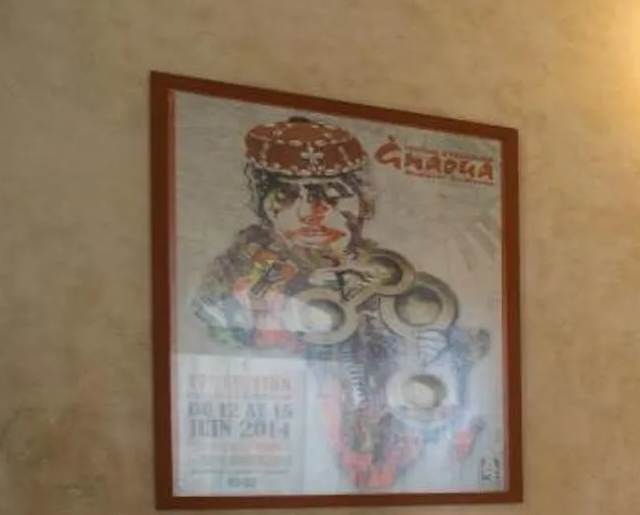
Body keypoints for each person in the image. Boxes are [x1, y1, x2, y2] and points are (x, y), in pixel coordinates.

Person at [190, 115, 485, 492]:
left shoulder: (390, 273)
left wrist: (440, 354)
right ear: (264, 205)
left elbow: (450, 363)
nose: (310, 213)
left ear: (362, 203)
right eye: (287, 195)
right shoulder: (240, 268)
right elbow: (215, 325)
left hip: (390, 446)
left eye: (331, 195)